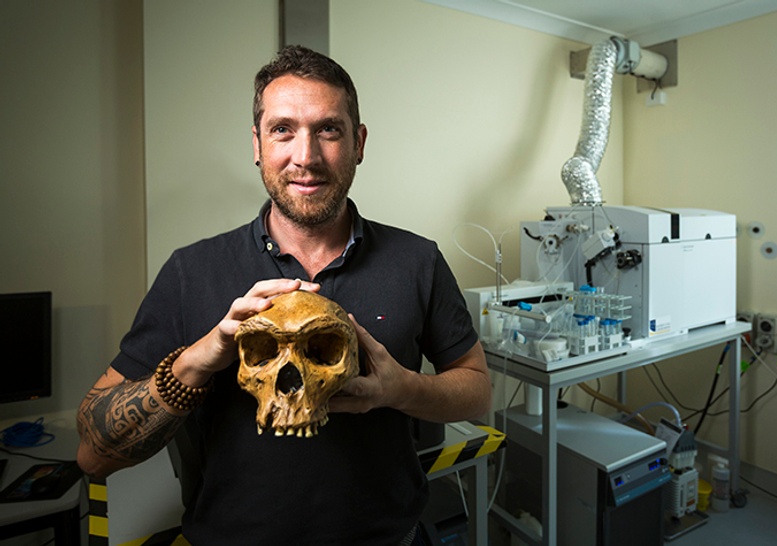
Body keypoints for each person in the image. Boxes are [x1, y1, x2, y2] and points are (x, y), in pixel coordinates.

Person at [76, 45, 491, 545]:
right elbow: (93, 453)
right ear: (257, 144)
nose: (306, 157)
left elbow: (478, 390)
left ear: (359, 142)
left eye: (328, 130)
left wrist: (399, 388)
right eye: (283, 129)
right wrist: (201, 358)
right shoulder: (190, 271)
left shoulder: (417, 260)